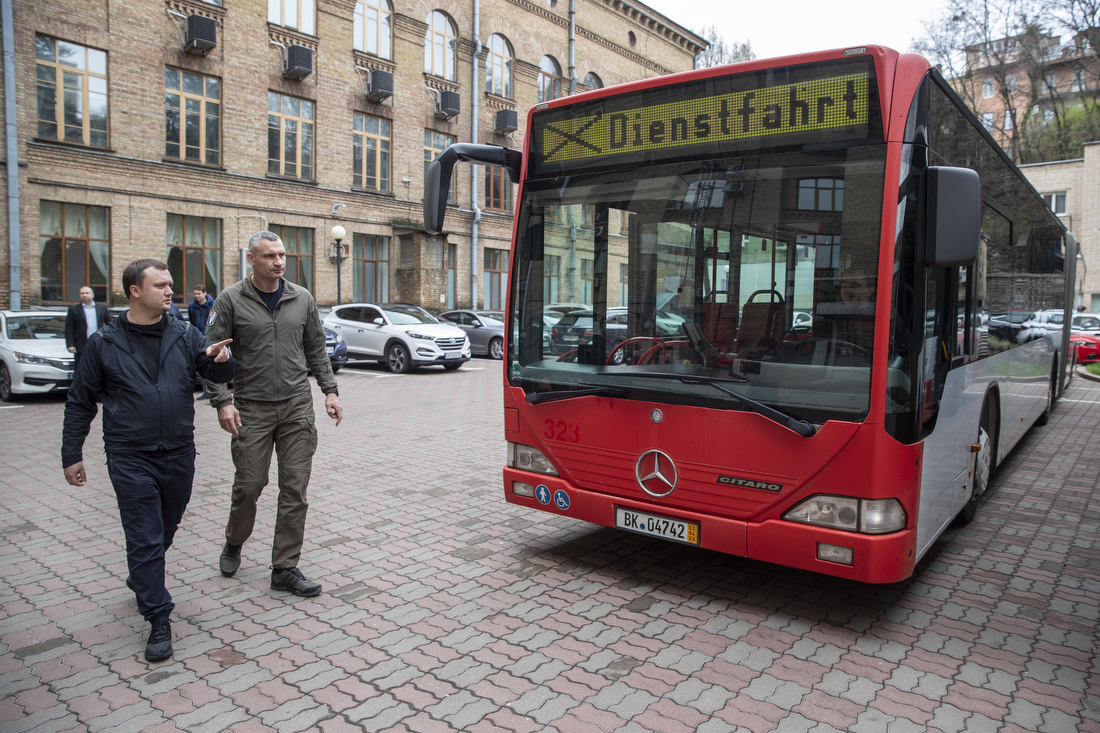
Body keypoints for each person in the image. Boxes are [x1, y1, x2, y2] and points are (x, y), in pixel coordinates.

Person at [61, 259, 235, 662]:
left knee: (165, 527)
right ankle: (158, 617)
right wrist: (72, 454)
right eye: (160, 285)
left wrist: (222, 362)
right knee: (145, 534)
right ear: (135, 291)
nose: (170, 291)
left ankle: (143, 573)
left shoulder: (184, 332)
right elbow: (80, 402)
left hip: (178, 452)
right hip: (129, 456)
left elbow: (218, 374)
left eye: (170, 284)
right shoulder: (104, 343)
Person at [205, 231, 342, 598]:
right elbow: (212, 354)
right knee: (250, 486)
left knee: (294, 489)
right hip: (251, 407)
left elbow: (316, 349)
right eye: (269, 256)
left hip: (297, 406)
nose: (278, 262)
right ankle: (234, 541)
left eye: (281, 255)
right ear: (252, 259)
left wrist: (329, 391)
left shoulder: (302, 298)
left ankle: (284, 568)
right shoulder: (231, 300)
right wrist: (222, 400)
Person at [65, 286, 112, 373]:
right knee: (80, 369)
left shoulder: (102, 308)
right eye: (82, 293)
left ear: (92, 295)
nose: (84, 295)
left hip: (99, 343)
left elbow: (110, 325)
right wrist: (70, 344)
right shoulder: (73, 309)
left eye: (87, 293)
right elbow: (69, 328)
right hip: (80, 344)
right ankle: (79, 386)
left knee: (97, 368)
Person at [188, 285, 216, 400]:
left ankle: (213, 392)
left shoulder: (213, 305)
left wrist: (210, 335)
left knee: (211, 365)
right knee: (200, 365)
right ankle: (206, 392)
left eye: (199, 293)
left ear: (205, 293)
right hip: (197, 338)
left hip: (210, 338)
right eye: (195, 294)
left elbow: (215, 320)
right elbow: (192, 321)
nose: (196, 296)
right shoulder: (192, 307)